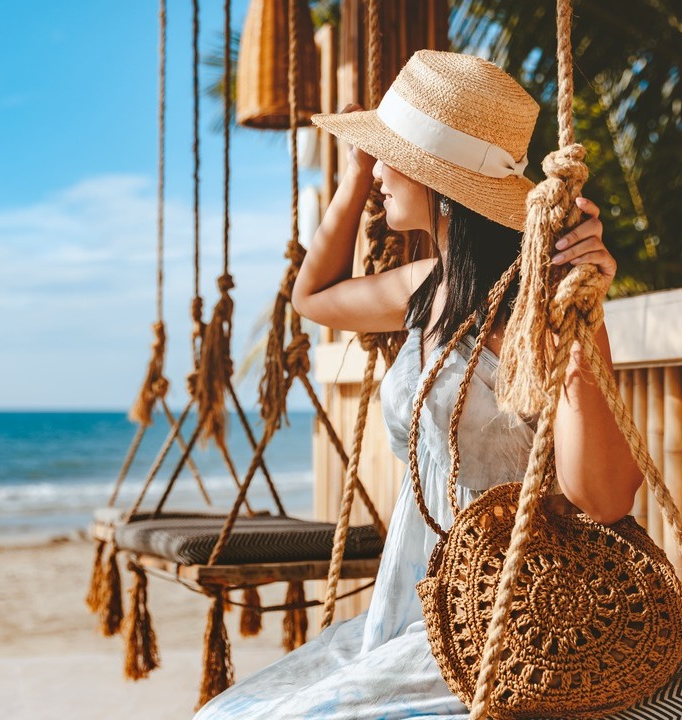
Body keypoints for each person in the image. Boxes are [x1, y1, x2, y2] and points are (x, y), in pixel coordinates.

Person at [193, 50, 680, 719]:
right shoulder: (431, 289)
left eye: (392, 157)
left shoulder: (536, 308)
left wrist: (576, 308)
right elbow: (314, 297)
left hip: (515, 601)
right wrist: (362, 166)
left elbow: (601, 498)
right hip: (423, 591)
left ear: (441, 182)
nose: (379, 171)